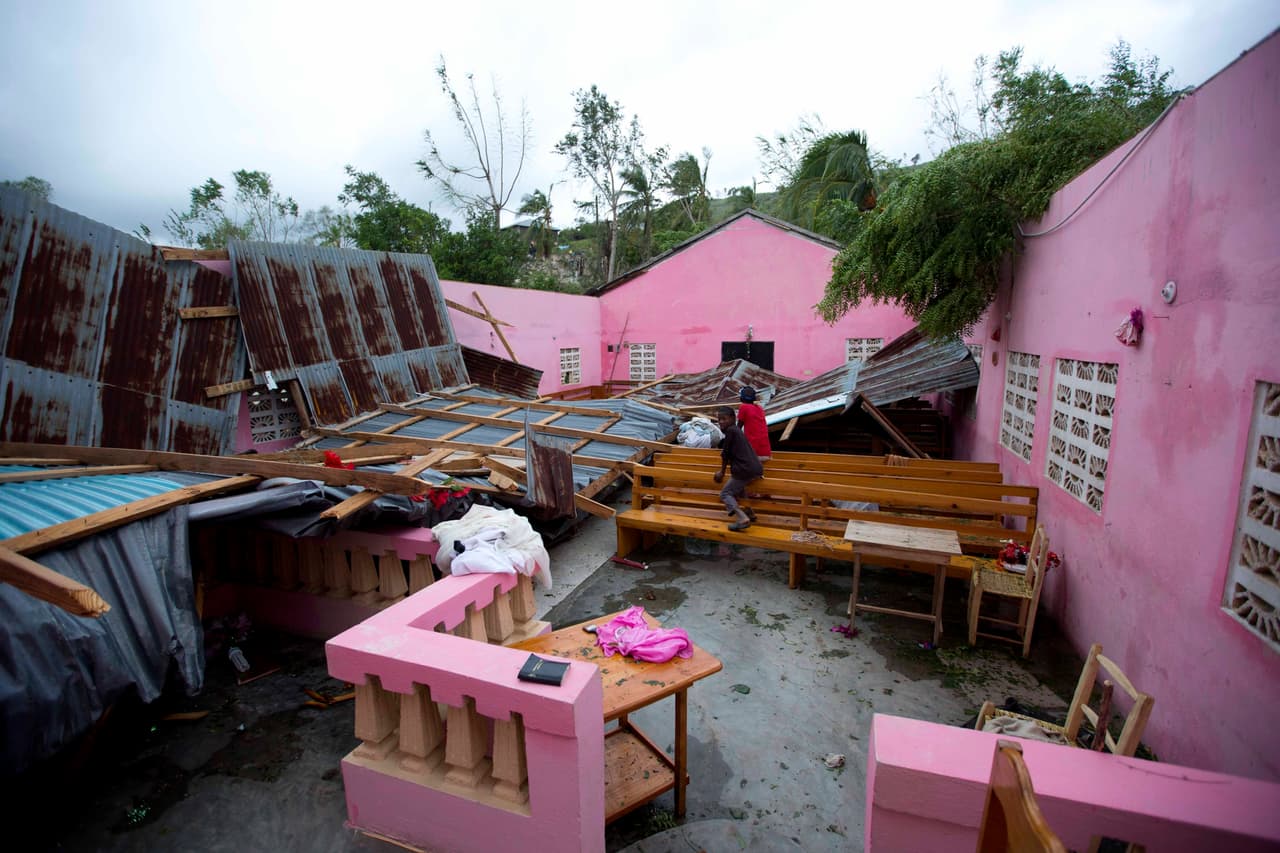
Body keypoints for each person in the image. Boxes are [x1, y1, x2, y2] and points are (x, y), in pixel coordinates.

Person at [713, 406, 762, 531]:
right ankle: (749, 513)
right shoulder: (736, 430)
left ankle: (742, 518)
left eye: (724, 419)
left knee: (725, 493)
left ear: (733, 419)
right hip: (753, 467)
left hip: (744, 469)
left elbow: (725, 454)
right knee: (739, 489)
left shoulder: (731, 431)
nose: (721, 422)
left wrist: (722, 473)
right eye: (719, 420)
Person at [737, 387, 771, 461]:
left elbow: (738, 428)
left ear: (741, 398)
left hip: (753, 453)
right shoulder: (759, 408)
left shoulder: (744, 407)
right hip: (766, 452)